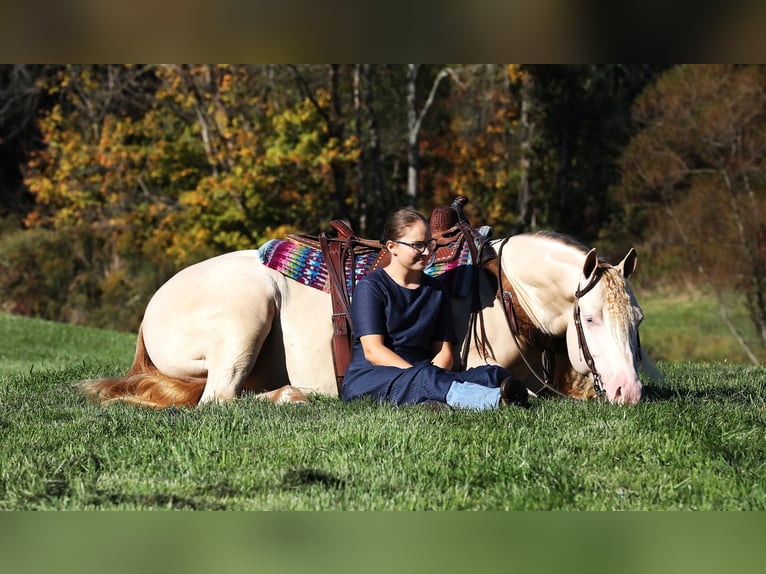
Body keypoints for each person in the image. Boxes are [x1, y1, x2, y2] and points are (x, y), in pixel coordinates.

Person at [340, 208, 528, 410]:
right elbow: (373, 351)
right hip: (372, 378)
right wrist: (422, 376)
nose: (427, 252)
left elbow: (443, 351)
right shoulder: (371, 287)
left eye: (430, 244)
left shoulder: (436, 290)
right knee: (426, 379)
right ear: (392, 246)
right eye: (417, 245)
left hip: (425, 373)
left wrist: (435, 376)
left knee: (492, 373)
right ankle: (494, 401)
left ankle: (436, 399)